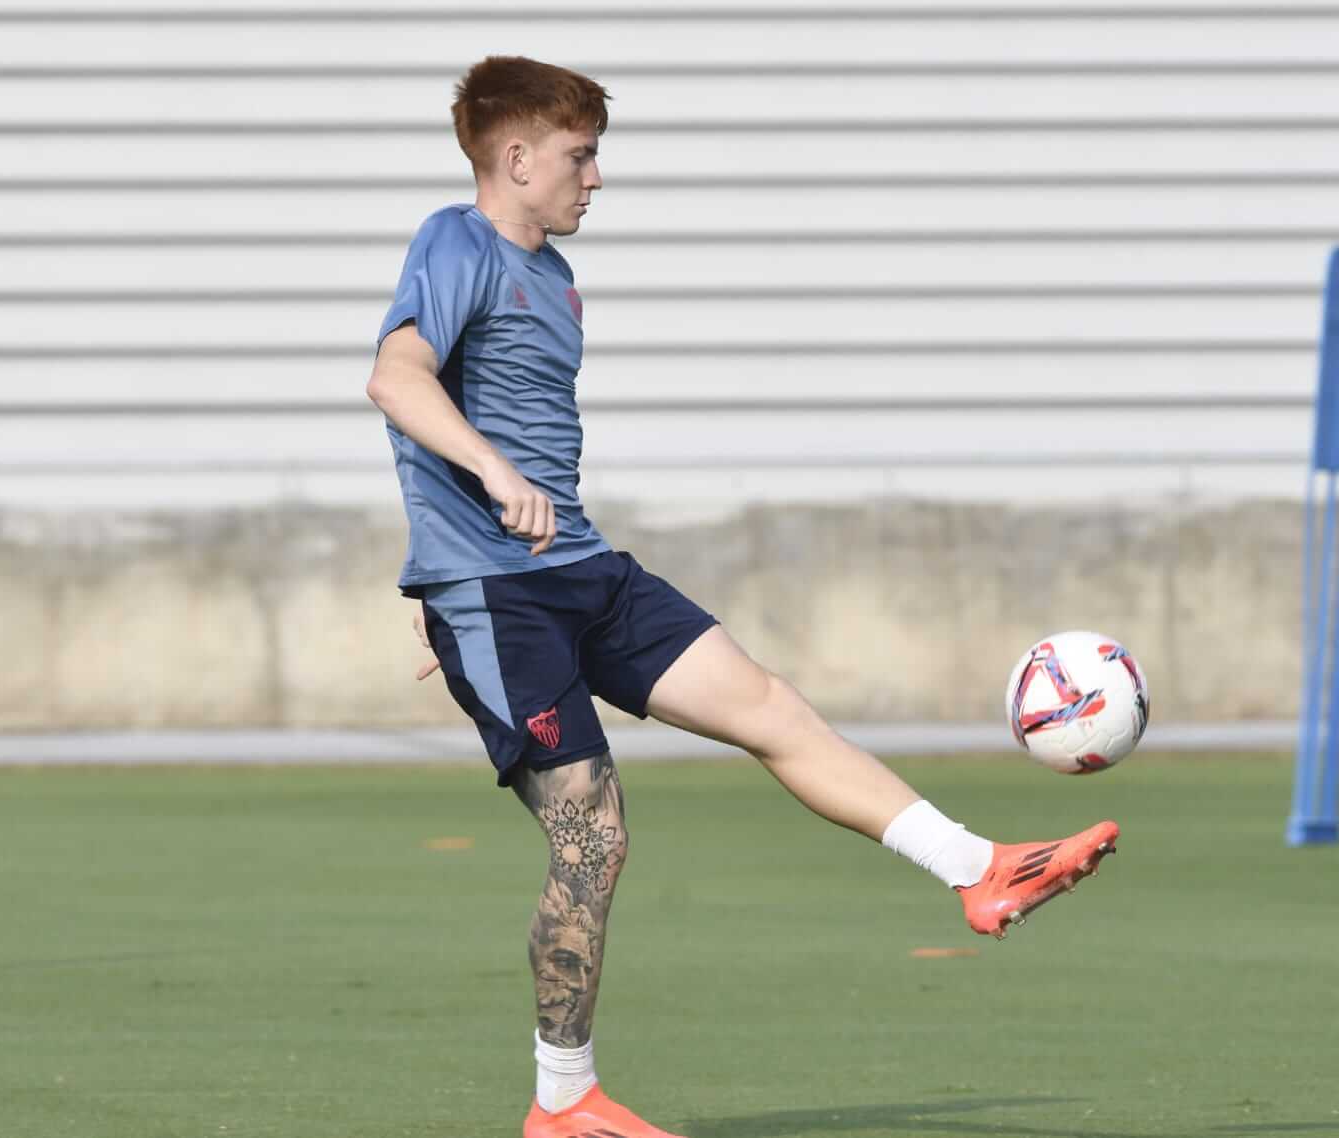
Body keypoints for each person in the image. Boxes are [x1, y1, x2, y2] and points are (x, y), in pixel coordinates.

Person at [366, 55, 1119, 1138]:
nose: (595, 179)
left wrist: (473, 537)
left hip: (578, 572)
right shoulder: (456, 239)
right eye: (579, 157)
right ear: (516, 157)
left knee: (768, 705)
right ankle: (563, 1105)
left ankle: (978, 870)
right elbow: (397, 376)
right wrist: (474, 526)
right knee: (593, 832)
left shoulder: (558, 281)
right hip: (500, 593)